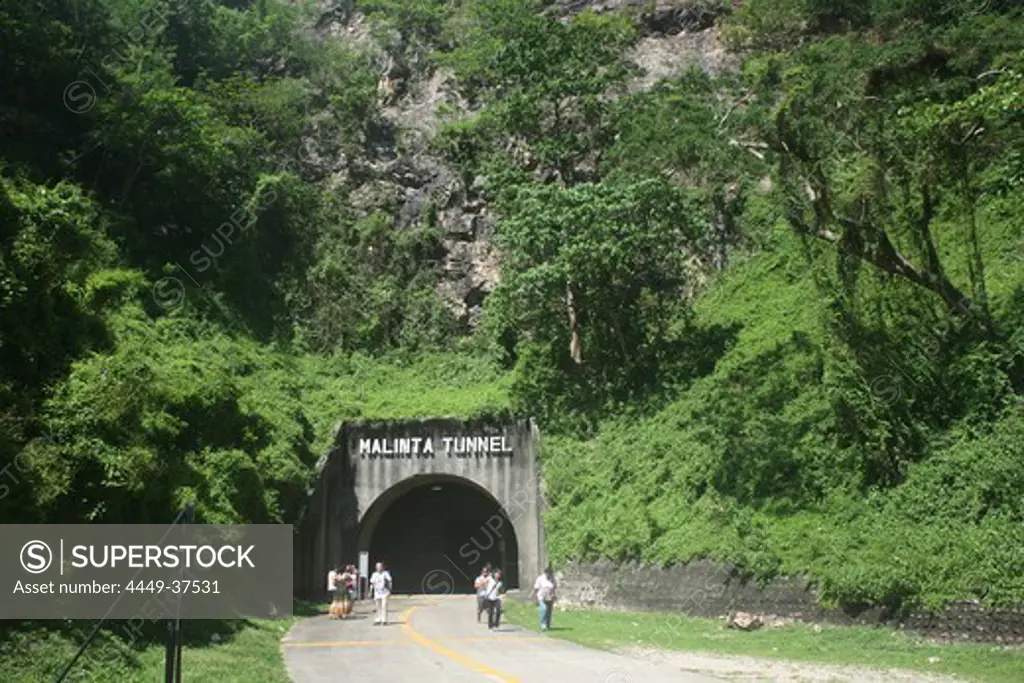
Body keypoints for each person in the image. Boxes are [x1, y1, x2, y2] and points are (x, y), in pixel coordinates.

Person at [529, 566, 557, 631]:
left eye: (551, 574)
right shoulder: (540, 578)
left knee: (549, 611)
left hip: (550, 597)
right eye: (548, 574)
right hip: (542, 597)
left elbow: (554, 588)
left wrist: (554, 595)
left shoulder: (553, 579)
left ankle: (548, 624)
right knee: (544, 609)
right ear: (545, 573)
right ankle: (542, 625)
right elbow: (536, 587)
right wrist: (531, 594)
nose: (549, 575)